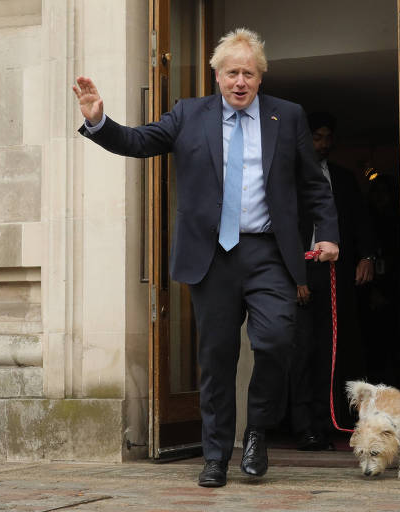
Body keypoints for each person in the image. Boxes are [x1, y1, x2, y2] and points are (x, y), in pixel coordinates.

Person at [72, 28, 339, 488]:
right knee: (216, 358)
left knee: (276, 341)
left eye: (249, 74)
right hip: (211, 256)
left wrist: (329, 234)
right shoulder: (188, 114)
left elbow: (314, 184)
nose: (240, 81)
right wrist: (100, 121)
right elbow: (138, 142)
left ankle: (256, 433)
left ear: (260, 78)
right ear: (216, 75)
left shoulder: (287, 116)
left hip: (269, 252)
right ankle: (215, 455)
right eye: (232, 72)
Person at [288, 112, 376, 451]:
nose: (323, 144)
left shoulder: (342, 177)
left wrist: (367, 254)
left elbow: (358, 220)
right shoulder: (288, 178)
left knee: (333, 350)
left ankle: (329, 423)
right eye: (317, 137)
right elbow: (281, 228)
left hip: (335, 272)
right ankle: (303, 427)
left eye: (327, 137)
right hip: (298, 272)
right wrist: (295, 276)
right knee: (301, 352)